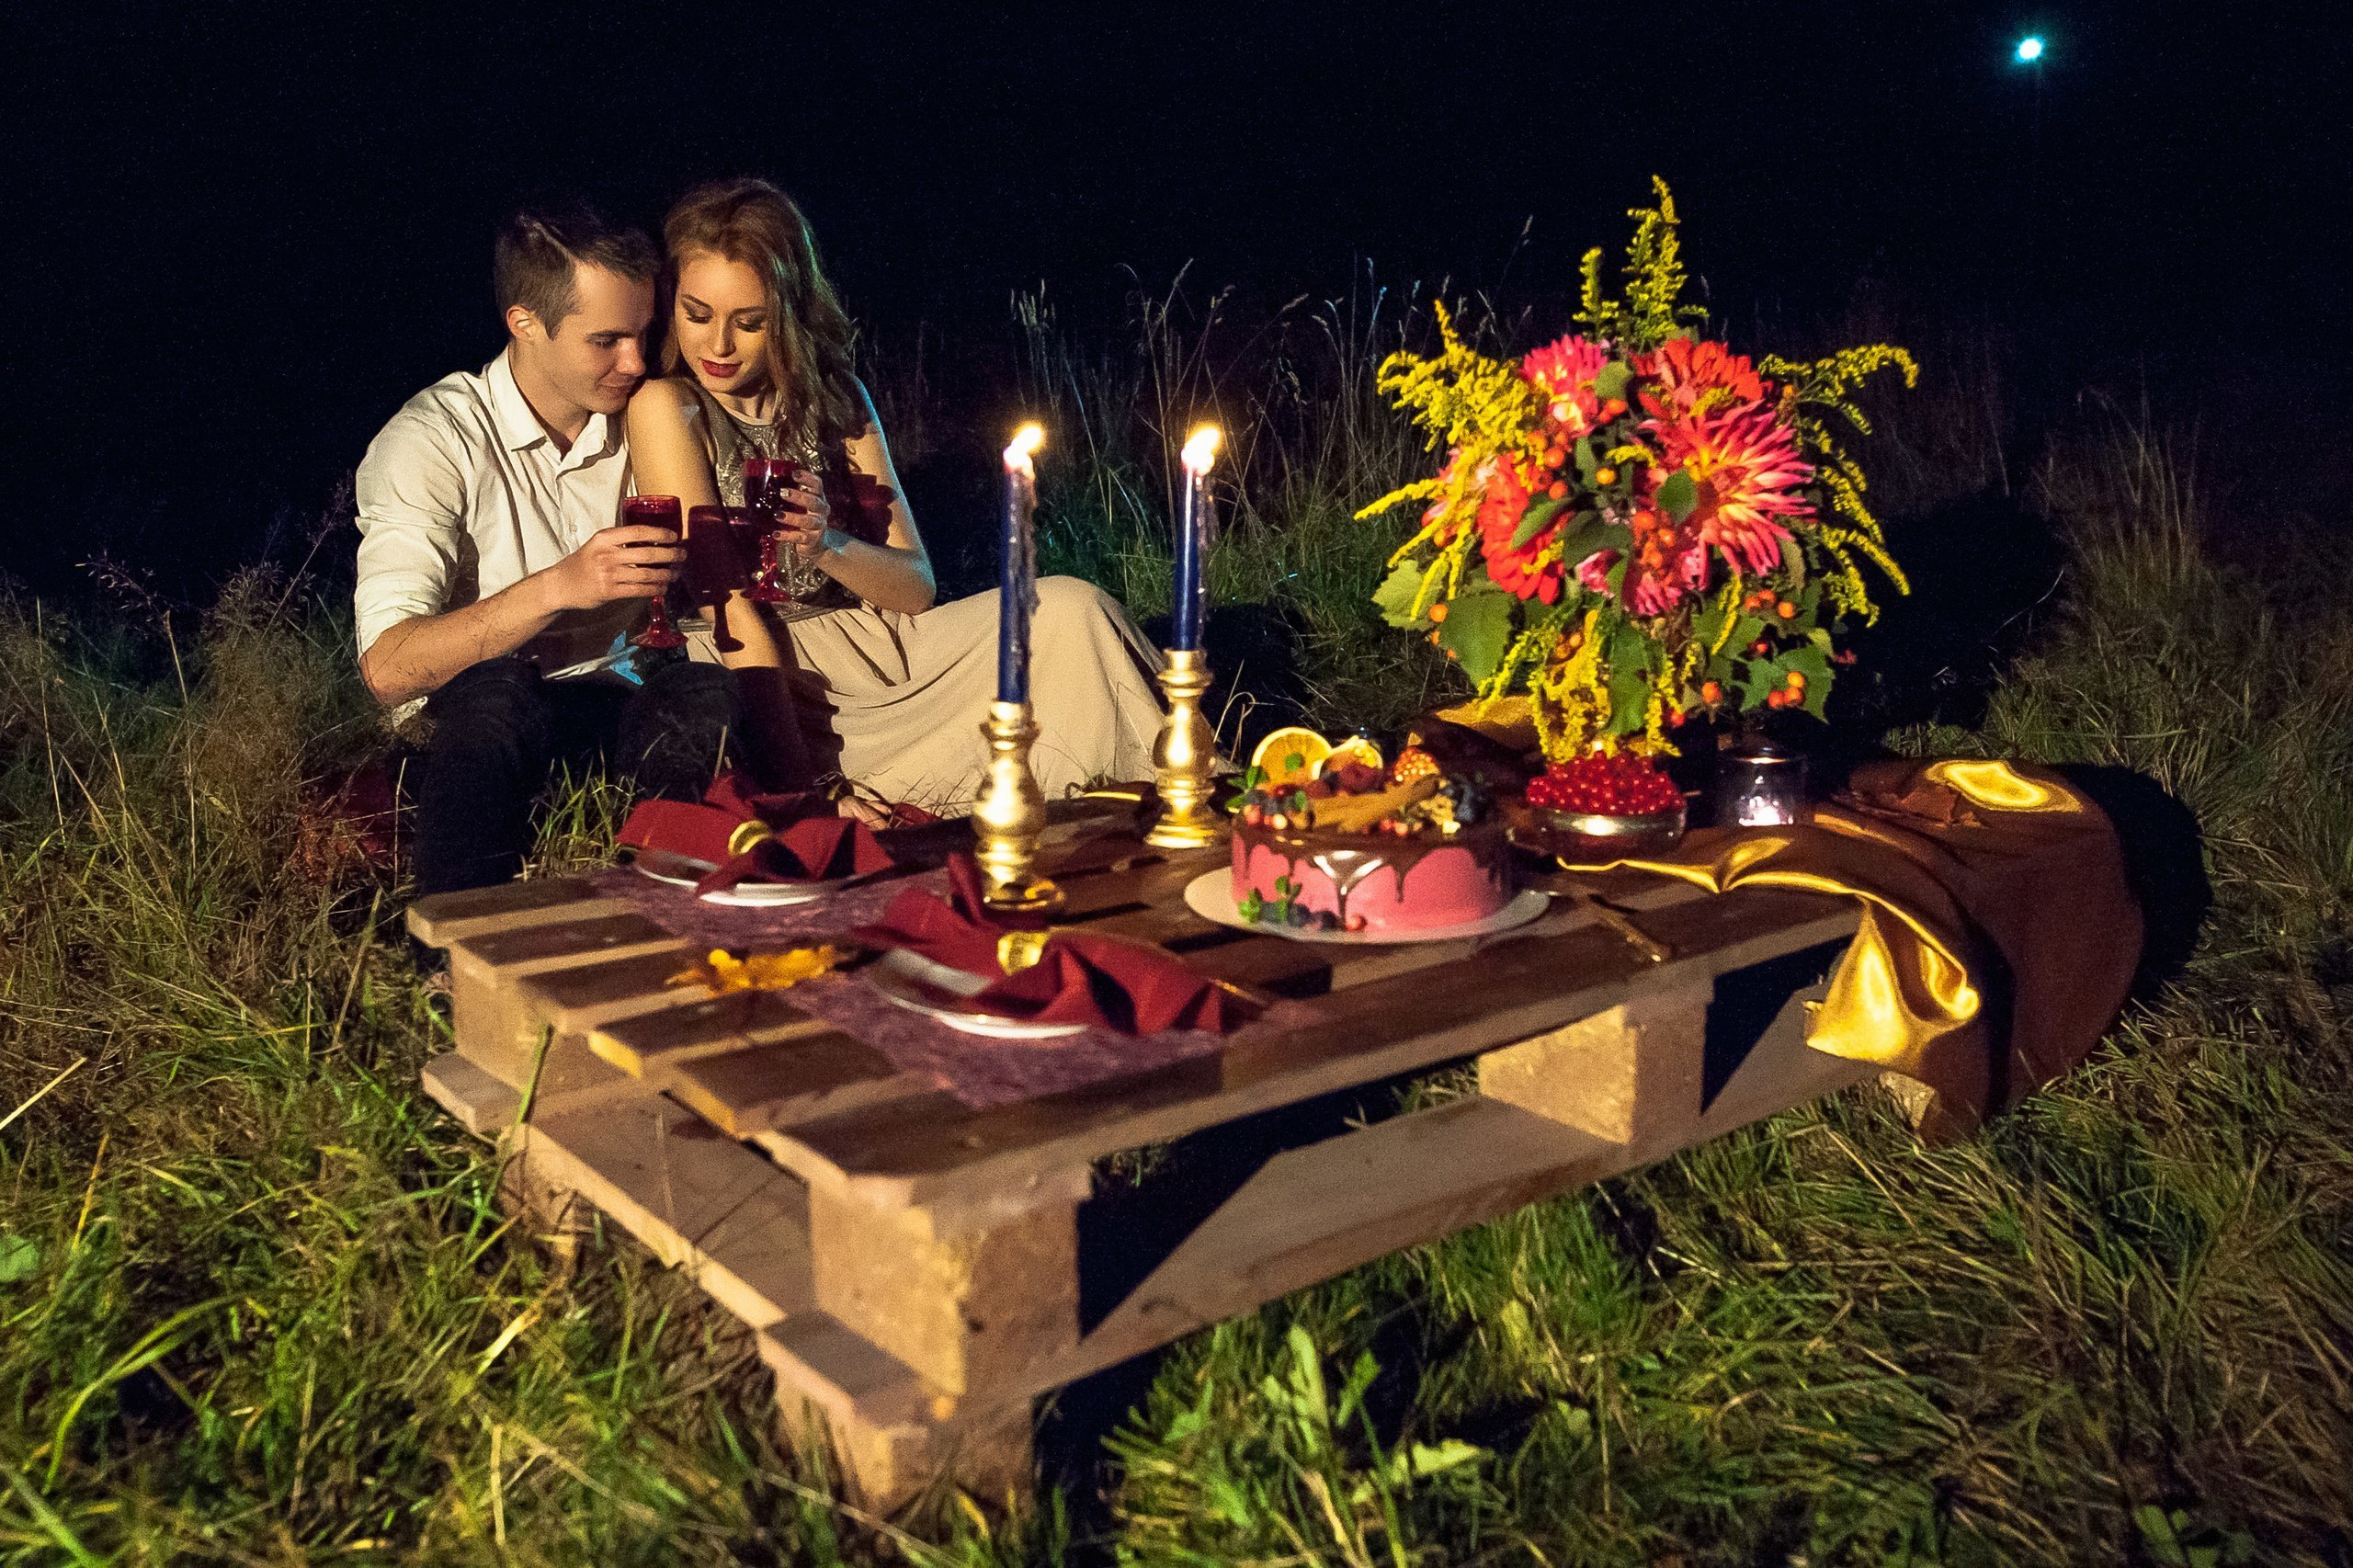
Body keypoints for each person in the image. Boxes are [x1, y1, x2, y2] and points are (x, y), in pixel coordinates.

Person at [626, 176, 1165, 813]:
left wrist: (827, 545)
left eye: (749, 323)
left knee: (1073, 608)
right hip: (771, 672)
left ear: (789, 314)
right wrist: (812, 795)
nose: (718, 345)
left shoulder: (836, 397)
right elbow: (732, 613)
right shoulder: (669, 406)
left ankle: (1179, 780)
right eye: (698, 314)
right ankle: (878, 792)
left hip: (878, 643)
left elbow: (915, 588)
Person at [354, 203, 735, 900]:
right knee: (498, 692)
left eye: (644, 334)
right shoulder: (434, 439)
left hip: (606, 708)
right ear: (525, 323)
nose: (636, 361)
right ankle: (456, 951)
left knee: (700, 691)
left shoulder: (639, 419)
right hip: (470, 734)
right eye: (606, 340)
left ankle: (673, 913)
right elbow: (388, 668)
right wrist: (560, 585)